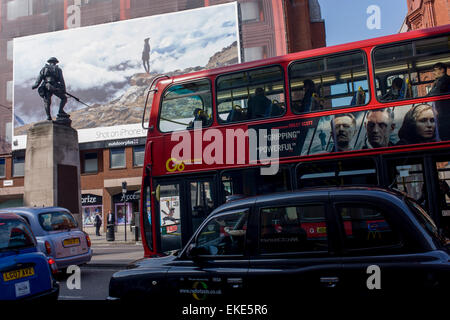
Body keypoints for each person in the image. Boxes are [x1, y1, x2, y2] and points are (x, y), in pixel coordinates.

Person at [32, 57, 68, 121]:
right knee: (63, 98)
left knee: (47, 102)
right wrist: (63, 89)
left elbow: (39, 78)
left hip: (47, 85)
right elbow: (61, 80)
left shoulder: (45, 69)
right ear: (56, 62)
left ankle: (50, 116)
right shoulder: (58, 69)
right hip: (53, 86)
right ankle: (58, 112)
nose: (53, 64)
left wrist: (36, 85)